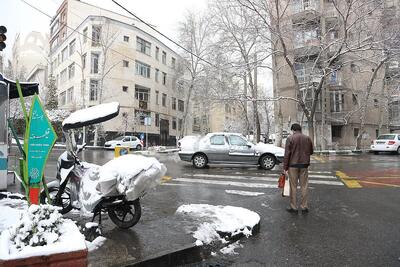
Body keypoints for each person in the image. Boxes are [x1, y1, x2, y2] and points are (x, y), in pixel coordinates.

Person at [283, 123, 314, 213]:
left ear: (293, 130)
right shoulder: (307, 138)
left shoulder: (290, 138)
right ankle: (304, 206)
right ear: (300, 129)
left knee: (293, 186)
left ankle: (294, 207)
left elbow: (287, 154)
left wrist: (285, 168)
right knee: (304, 186)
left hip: (293, 165)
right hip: (304, 165)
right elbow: (311, 151)